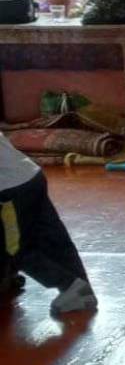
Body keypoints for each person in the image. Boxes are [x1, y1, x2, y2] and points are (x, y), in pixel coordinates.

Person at [0, 132, 96, 315]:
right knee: (52, 236)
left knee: (14, 248)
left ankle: (69, 285)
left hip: (10, 189)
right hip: (31, 176)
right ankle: (81, 287)